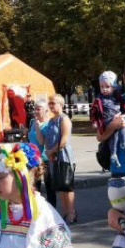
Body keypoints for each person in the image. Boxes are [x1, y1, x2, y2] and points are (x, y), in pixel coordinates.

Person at [36, 94, 77, 223]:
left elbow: (64, 139)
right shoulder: (52, 120)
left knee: (67, 185)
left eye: (53, 103)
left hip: (64, 156)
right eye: (50, 103)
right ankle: (64, 211)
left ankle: (71, 213)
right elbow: (43, 140)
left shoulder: (64, 119)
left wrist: (51, 151)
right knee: (60, 186)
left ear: (61, 104)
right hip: (53, 158)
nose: (51, 105)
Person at [90, 70, 125, 169]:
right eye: (102, 87)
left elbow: (124, 105)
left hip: (117, 117)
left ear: (113, 87)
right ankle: (117, 150)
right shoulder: (99, 99)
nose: (104, 89)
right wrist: (95, 122)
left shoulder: (117, 97)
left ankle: (120, 146)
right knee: (117, 130)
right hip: (107, 120)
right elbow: (94, 112)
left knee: (120, 127)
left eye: (107, 87)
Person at [28, 99, 54, 205]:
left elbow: (41, 141)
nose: (35, 112)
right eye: (35, 109)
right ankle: (37, 208)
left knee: (49, 187)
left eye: (38, 109)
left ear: (46, 111)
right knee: (35, 186)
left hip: (45, 159)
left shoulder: (48, 124)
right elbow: (30, 138)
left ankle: (53, 210)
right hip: (33, 159)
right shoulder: (32, 122)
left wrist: (38, 128)